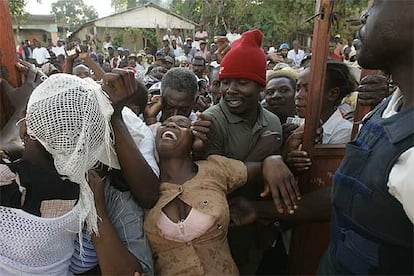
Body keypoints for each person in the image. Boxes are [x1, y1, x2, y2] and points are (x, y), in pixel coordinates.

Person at [232, 1, 414, 275]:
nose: (365, 13)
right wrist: (260, 210)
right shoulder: (388, 108)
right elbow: (347, 194)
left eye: (379, 2)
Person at [144, 115, 300, 275]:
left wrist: (273, 160)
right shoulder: (144, 188)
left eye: (181, 125)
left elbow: (262, 169)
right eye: (164, 124)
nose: (170, 125)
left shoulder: (215, 168)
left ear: (194, 139)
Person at [202, 29, 290, 274]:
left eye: (241, 82)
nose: (230, 90)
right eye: (226, 82)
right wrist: (262, 154)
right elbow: (214, 187)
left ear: (260, 86)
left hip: (256, 227)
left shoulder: (272, 122)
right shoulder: (212, 122)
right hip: (220, 232)